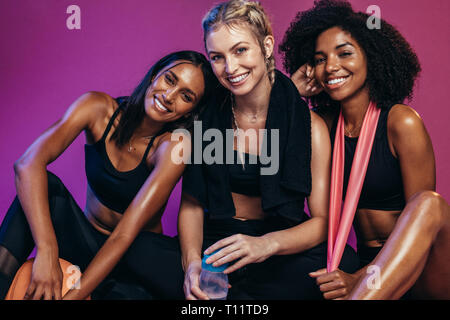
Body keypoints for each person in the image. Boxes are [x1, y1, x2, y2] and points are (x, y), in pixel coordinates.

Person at [177, 0, 359, 300]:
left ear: (266, 45)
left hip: (278, 243)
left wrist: (266, 245)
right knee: (141, 253)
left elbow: (322, 222)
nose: (230, 68)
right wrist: (192, 264)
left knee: (344, 263)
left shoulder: (308, 126)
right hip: (218, 242)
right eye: (217, 57)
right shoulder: (206, 118)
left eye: (240, 50)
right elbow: (192, 205)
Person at [0, 50, 216, 300]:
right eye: (169, 79)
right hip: (84, 244)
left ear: (189, 112)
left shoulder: (173, 147)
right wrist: (47, 251)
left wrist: (73, 298)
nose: (169, 96)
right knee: (45, 186)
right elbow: (27, 164)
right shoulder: (97, 109)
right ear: (155, 75)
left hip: (130, 261)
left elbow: (123, 236)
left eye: (186, 96)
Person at [279, 0, 450, 299]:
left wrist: (360, 278)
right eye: (319, 59)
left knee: (429, 203)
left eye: (344, 53)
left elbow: (424, 225)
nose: (331, 67)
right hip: (361, 264)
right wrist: (290, 94)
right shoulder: (321, 127)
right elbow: (264, 146)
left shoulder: (401, 122)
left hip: (419, 267)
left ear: (372, 57)